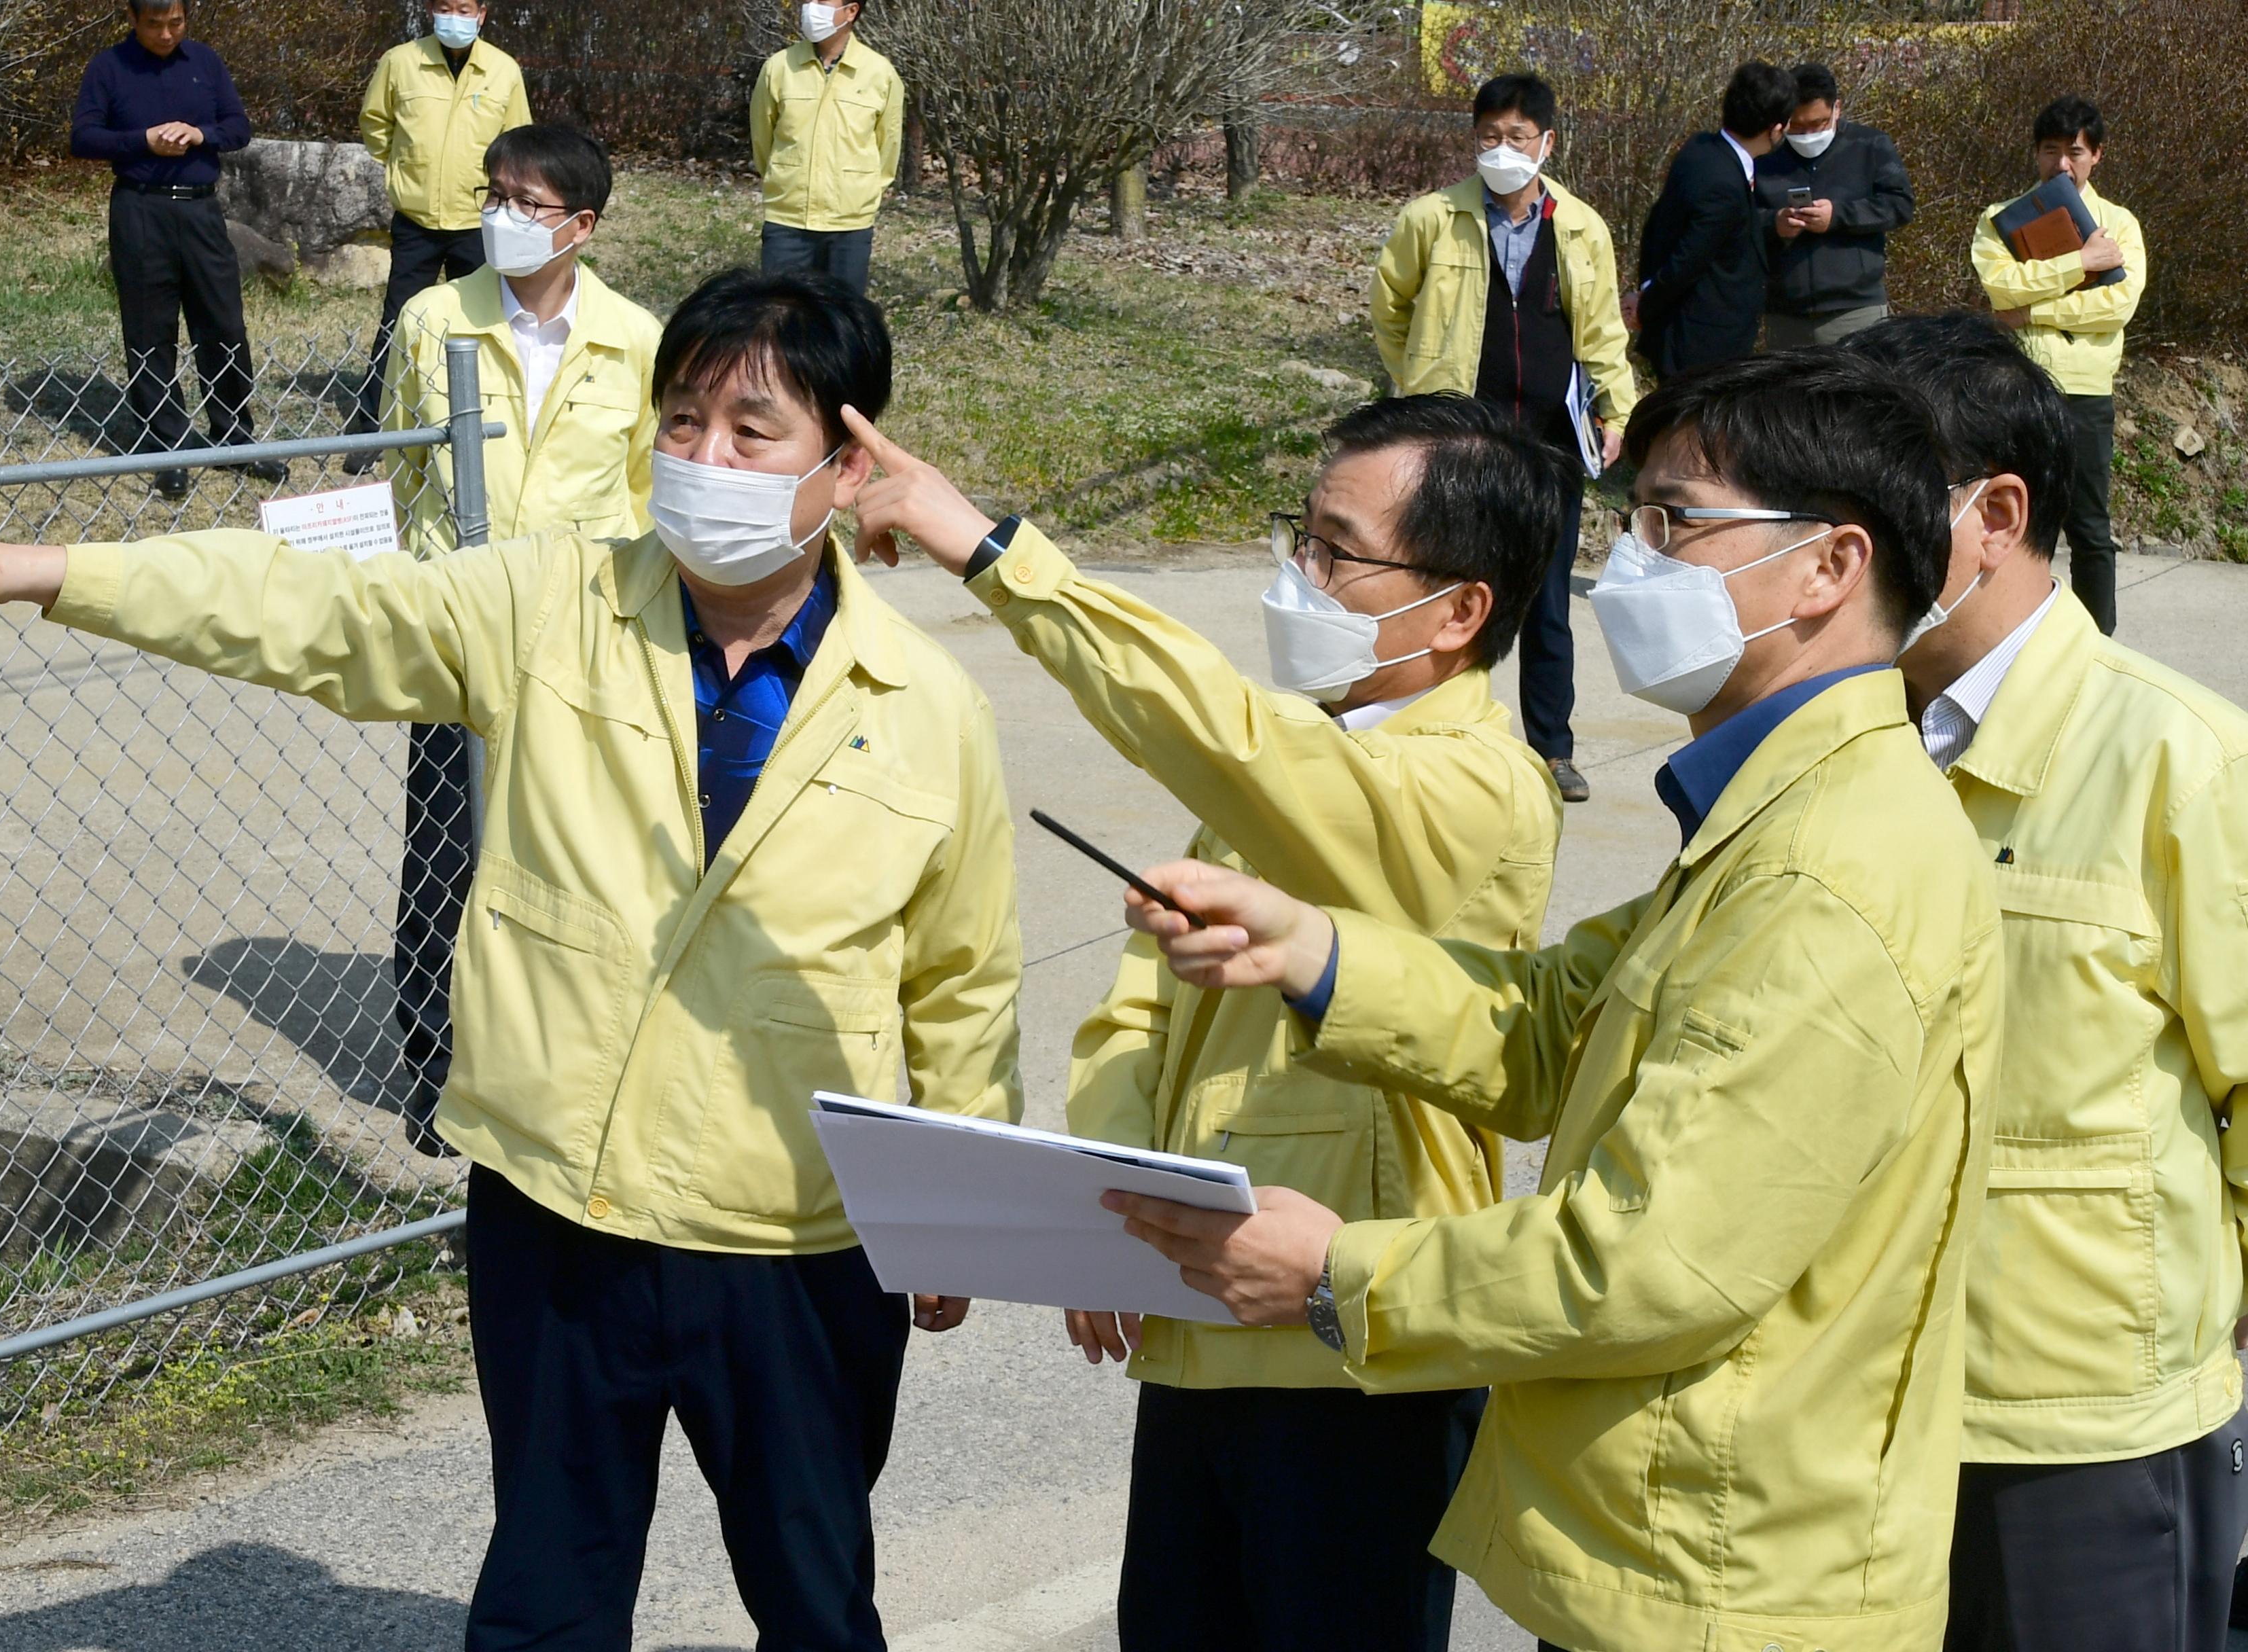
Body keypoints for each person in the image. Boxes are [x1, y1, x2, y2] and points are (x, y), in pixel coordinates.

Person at [0, 268, 1023, 1652]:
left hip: (794, 1234)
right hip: (558, 1208)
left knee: (818, 1595)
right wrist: (44, 572)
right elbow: (313, 612)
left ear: (849, 460)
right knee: (545, 1596)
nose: (703, 459)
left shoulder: (927, 706)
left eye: (750, 431)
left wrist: (956, 1201)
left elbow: (962, 976)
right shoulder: (549, 603)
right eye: (681, 422)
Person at [1104, 351, 2002, 1652]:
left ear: (1828, 567)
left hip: (1728, 1578)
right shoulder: (1778, 815)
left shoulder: (1831, 871)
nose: (1626, 565)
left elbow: (1648, 1255)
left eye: (1673, 521)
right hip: (1677, 1547)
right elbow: (1545, 1025)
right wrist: (1314, 951)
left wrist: (1332, 1274)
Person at [844, 394, 1568, 1652]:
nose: (1300, 572)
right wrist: (1110, 1215)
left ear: (1458, 611)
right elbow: (1135, 1003)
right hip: (1198, 1329)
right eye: (1302, 534)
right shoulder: (1290, 766)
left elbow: (1221, 736)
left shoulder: (1472, 787)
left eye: (1339, 552)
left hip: (1351, 1344)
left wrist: (991, 553)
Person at [1844, 312, 2248, 1652]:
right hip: (1853, 1408)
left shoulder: (2180, 759)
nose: (1819, 550)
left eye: (1853, 504)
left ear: (1996, 514)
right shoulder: (1831, 750)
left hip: (2082, 1427)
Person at [376, 124, 662, 1153]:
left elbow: (642, 488)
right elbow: (405, 467)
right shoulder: (431, 319)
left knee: (573, 857)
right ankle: (434, 1071)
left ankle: (560, 1063)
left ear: (580, 227)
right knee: (448, 853)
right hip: (462, 631)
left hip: (586, 637)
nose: (500, 216)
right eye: (493, 194)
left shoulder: (635, 338)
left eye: (526, 203)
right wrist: (427, 588)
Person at [1369, 72, 1638, 804]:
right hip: (1462, 433)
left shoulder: (1581, 227)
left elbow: (1604, 331)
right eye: (1489, 136)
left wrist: (1617, 409)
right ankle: (1436, 734)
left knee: (1547, 598)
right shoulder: (1432, 217)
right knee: (1449, 587)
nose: (1502, 149)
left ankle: (1552, 748)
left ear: (1548, 143)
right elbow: (1391, 308)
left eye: (1518, 137)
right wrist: (1418, 382)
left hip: (1549, 440)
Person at [70, 0, 286, 501]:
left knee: (224, 323)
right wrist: (143, 140)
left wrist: (200, 133)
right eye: (154, 25)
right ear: (131, 19)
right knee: (150, 328)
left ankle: (234, 436)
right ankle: (166, 446)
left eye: (176, 24)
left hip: (201, 211)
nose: (167, 35)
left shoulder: (205, 63)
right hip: (140, 210)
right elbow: (83, 138)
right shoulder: (109, 67)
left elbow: (238, 127)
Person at [1972, 96, 2145, 635]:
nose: (2063, 165)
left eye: (2075, 152)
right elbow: (2000, 289)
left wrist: (2034, 310)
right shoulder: (2002, 221)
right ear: (2036, 155)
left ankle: (2097, 643)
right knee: (2014, 525)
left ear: (2097, 156)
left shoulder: (2119, 223)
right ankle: (2010, 637)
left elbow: (2117, 306)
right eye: (2051, 151)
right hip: (2019, 388)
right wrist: (2083, 263)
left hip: (2087, 393)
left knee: (2090, 528)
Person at [346, 0, 533, 465]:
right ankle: (372, 429)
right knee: (397, 322)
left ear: (483, 13)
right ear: (432, 10)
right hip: (417, 222)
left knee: (490, 320)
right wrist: (401, 171)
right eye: (446, 6)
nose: (456, 16)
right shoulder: (400, 62)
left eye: (465, 7)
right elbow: (376, 123)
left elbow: (518, 141)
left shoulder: (503, 71)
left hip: (479, 221)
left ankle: (494, 421)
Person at [1630, 60, 1795, 378]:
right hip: (1704, 343)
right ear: (1775, 129)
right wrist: (1645, 306)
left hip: (1694, 332)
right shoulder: (1725, 185)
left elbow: (1658, 226)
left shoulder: (1700, 149)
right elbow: (1687, 260)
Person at [749, 0, 905, 295]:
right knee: (780, 315)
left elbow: (888, 146)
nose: (811, 8)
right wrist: (784, 177)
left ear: (851, 11)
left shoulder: (880, 73)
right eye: (809, 1)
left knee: (842, 322)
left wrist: (863, 191)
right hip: (788, 219)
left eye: (822, 2)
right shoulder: (779, 67)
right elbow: (762, 139)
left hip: (849, 224)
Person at [1755, 62, 1914, 349]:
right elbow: (1736, 219)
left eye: (1818, 124)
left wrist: (1839, 216)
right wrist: (1773, 223)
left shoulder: (1871, 145)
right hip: (1785, 315)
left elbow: (1900, 205)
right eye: (1797, 126)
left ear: (1836, 109)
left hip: (1856, 311)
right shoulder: (1764, 155)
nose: (1807, 135)